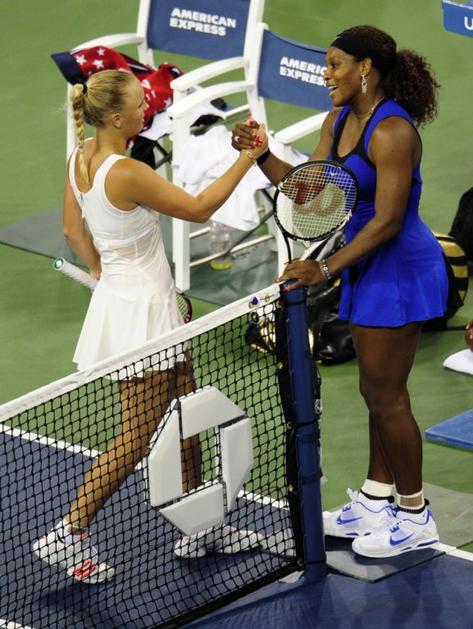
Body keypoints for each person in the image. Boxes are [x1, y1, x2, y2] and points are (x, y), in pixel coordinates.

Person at [32, 69, 268, 582]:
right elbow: (200, 209)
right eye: (141, 104)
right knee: (135, 437)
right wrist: (248, 158)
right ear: (117, 118)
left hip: (140, 304)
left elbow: (73, 230)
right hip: (142, 315)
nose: (148, 109)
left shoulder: (79, 157)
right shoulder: (126, 171)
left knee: (187, 409)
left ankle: (202, 525)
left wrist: (105, 272)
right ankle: (68, 532)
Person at [232, 25, 447, 559]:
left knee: (387, 396)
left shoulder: (391, 132)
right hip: (365, 264)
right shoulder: (339, 121)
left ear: (365, 68)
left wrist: (323, 269)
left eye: (334, 65)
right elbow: (312, 192)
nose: (325, 74)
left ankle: (415, 516)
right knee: (375, 390)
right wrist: (262, 154)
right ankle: (376, 498)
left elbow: (389, 221)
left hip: (399, 268)